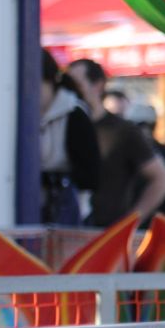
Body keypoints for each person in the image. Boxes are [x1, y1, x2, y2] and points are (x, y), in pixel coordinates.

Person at [68, 58, 165, 231]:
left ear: (98, 85)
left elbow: (162, 179)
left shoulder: (122, 130)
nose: (72, 91)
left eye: (77, 84)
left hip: (106, 233)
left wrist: (130, 223)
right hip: (69, 230)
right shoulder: (64, 126)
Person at [37, 50, 100, 225]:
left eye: (37, 85)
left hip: (70, 217)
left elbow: (91, 176)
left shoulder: (74, 114)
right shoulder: (25, 115)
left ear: (50, 81)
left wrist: (51, 178)